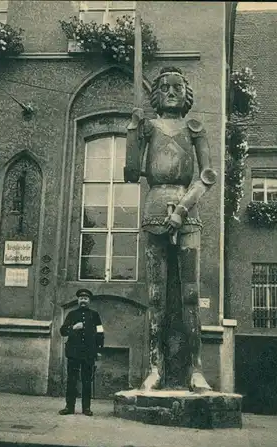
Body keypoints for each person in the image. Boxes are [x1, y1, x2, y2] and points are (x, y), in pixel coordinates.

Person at [124, 67, 217, 392]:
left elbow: (207, 176)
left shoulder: (194, 128)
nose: (172, 91)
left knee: (190, 294)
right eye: (165, 87)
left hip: (186, 211)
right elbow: (132, 172)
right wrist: (132, 132)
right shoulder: (148, 127)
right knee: (156, 296)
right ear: (156, 94)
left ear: (186, 92)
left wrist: (180, 210)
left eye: (178, 86)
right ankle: (155, 367)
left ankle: (195, 369)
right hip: (154, 209)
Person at [59, 289, 104, 416]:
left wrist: (99, 350)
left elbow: (100, 333)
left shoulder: (95, 315)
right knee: (71, 381)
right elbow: (62, 331)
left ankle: (86, 408)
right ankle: (69, 407)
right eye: (81, 299)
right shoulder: (71, 315)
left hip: (89, 353)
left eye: (86, 299)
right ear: (78, 301)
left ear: (89, 301)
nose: (83, 300)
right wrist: (73, 327)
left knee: (86, 381)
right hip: (74, 353)